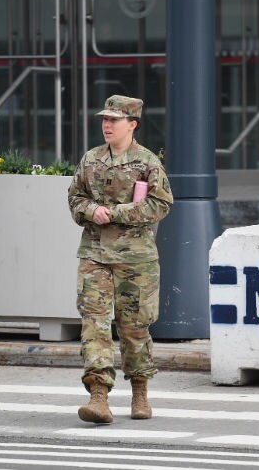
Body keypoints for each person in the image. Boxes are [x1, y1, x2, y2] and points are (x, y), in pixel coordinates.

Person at [68, 95, 173, 424]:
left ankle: (140, 390)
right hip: (95, 255)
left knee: (134, 327)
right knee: (94, 325)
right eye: (105, 119)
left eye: (114, 120)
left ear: (133, 124)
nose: (107, 125)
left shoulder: (147, 163)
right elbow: (75, 197)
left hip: (136, 260)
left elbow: (161, 203)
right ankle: (98, 396)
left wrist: (114, 212)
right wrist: (89, 209)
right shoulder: (90, 159)